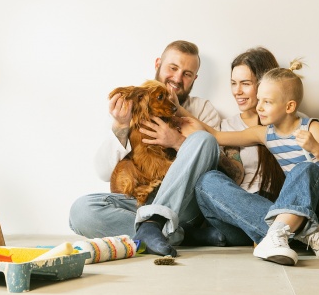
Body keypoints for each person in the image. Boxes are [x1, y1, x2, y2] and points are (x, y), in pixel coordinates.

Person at [182, 59, 319, 265]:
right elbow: (216, 135)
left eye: (266, 102)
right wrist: (177, 108)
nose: (258, 107)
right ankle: (307, 232)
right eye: (259, 100)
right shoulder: (264, 134)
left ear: (288, 107)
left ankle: (297, 232)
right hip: (318, 199)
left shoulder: (311, 127)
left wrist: (316, 148)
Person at [69, 40, 240, 257]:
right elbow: (104, 172)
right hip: (139, 199)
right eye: (173, 68)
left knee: (204, 140)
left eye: (187, 74)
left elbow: (218, 171)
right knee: (81, 211)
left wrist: (177, 141)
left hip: (183, 205)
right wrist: (122, 126)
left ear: (195, 79)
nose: (177, 78)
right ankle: (182, 234)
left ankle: (156, 226)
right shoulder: (131, 105)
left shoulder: (202, 109)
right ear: (158, 64)